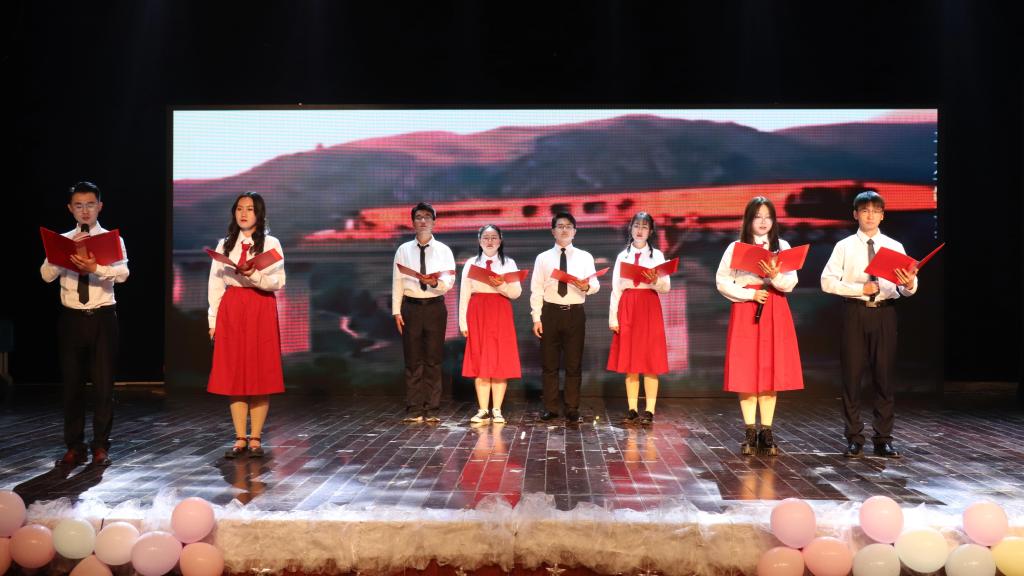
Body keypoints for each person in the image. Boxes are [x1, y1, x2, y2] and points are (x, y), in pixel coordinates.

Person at [821, 190, 917, 459]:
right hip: (855, 312)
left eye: (876, 211)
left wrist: (909, 283)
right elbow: (827, 282)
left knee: (884, 378)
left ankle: (883, 439)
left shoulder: (894, 246)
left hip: (884, 313)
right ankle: (854, 437)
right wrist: (859, 289)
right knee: (852, 378)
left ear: (883, 215)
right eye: (865, 210)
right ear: (856, 214)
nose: (870, 215)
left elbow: (905, 288)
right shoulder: (844, 246)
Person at [41, 181, 129, 467]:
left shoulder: (111, 239)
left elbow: (123, 274)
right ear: (70, 209)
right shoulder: (63, 239)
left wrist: (95, 268)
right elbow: (46, 275)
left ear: (99, 206)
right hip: (71, 319)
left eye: (90, 204)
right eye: (78, 205)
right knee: (72, 386)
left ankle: (101, 445)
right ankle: (74, 445)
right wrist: (64, 256)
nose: (85, 211)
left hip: (102, 316)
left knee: (103, 386)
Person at [716, 197, 803, 456]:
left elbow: (791, 283)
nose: (763, 222)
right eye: (758, 217)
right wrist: (750, 294)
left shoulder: (782, 246)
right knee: (746, 368)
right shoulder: (736, 247)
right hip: (747, 308)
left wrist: (774, 276)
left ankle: (766, 430)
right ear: (748, 220)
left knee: (770, 368)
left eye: (768, 217)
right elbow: (722, 282)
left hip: (775, 306)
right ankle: (749, 431)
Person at [207, 192, 286, 458]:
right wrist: (213, 320)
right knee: (235, 374)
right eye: (239, 208)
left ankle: (256, 438)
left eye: (250, 209)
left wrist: (254, 275)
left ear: (259, 214)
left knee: (259, 373)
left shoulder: (271, 243)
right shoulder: (224, 244)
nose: (243, 213)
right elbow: (215, 284)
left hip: (260, 305)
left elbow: (278, 281)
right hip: (232, 307)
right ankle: (240, 437)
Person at [530, 212, 599, 423]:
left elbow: (595, 285)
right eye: (560, 226)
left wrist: (586, 286)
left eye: (569, 226)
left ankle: (572, 408)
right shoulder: (543, 258)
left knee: (573, 363)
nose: (564, 230)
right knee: (549, 364)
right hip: (550, 313)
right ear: (553, 231)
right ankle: (550, 408)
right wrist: (536, 318)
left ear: (575, 231)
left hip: (574, 313)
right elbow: (536, 289)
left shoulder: (585, 257)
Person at [392, 202, 456, 423]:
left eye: (427, 217)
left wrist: (434, 283)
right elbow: (397, 281)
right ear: (412, 222)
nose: (423, 220)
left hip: (435, 307)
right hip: (411, 307)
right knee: (412, 359)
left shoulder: (444, 250)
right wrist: (396, 311)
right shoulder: (403, 250)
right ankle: (414, 408)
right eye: (418, 217)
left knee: (433, 359)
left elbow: (449, 281)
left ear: (434, 222)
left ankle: (432, 408)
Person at [607, 211, 670, 425]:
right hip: (628, 305)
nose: (640, 230)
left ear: (650, 231)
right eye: (636, 226)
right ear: (630, 229)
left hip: (649, 306)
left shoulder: (657, 256)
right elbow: (616, 289)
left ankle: (649, 410)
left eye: (644, 227)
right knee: (631, 362)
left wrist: (654, 280)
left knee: (650, 361)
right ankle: (632, 409)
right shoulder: (622, 256)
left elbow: (666, 287)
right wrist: (613, 318)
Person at [459, 224, 523, 424]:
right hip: (477, 312)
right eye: (485, 237)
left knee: (499, 359)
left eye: (494, 237)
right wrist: (463, 322)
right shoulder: (471, 263)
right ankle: (482, 410)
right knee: (480, 360)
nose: (489, 241)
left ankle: (497, 410)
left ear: (500, 240)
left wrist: (501, 285)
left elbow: (516, 293)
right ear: (479, 241)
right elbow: (464, 294)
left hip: (500, 310)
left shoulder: (508, 263)